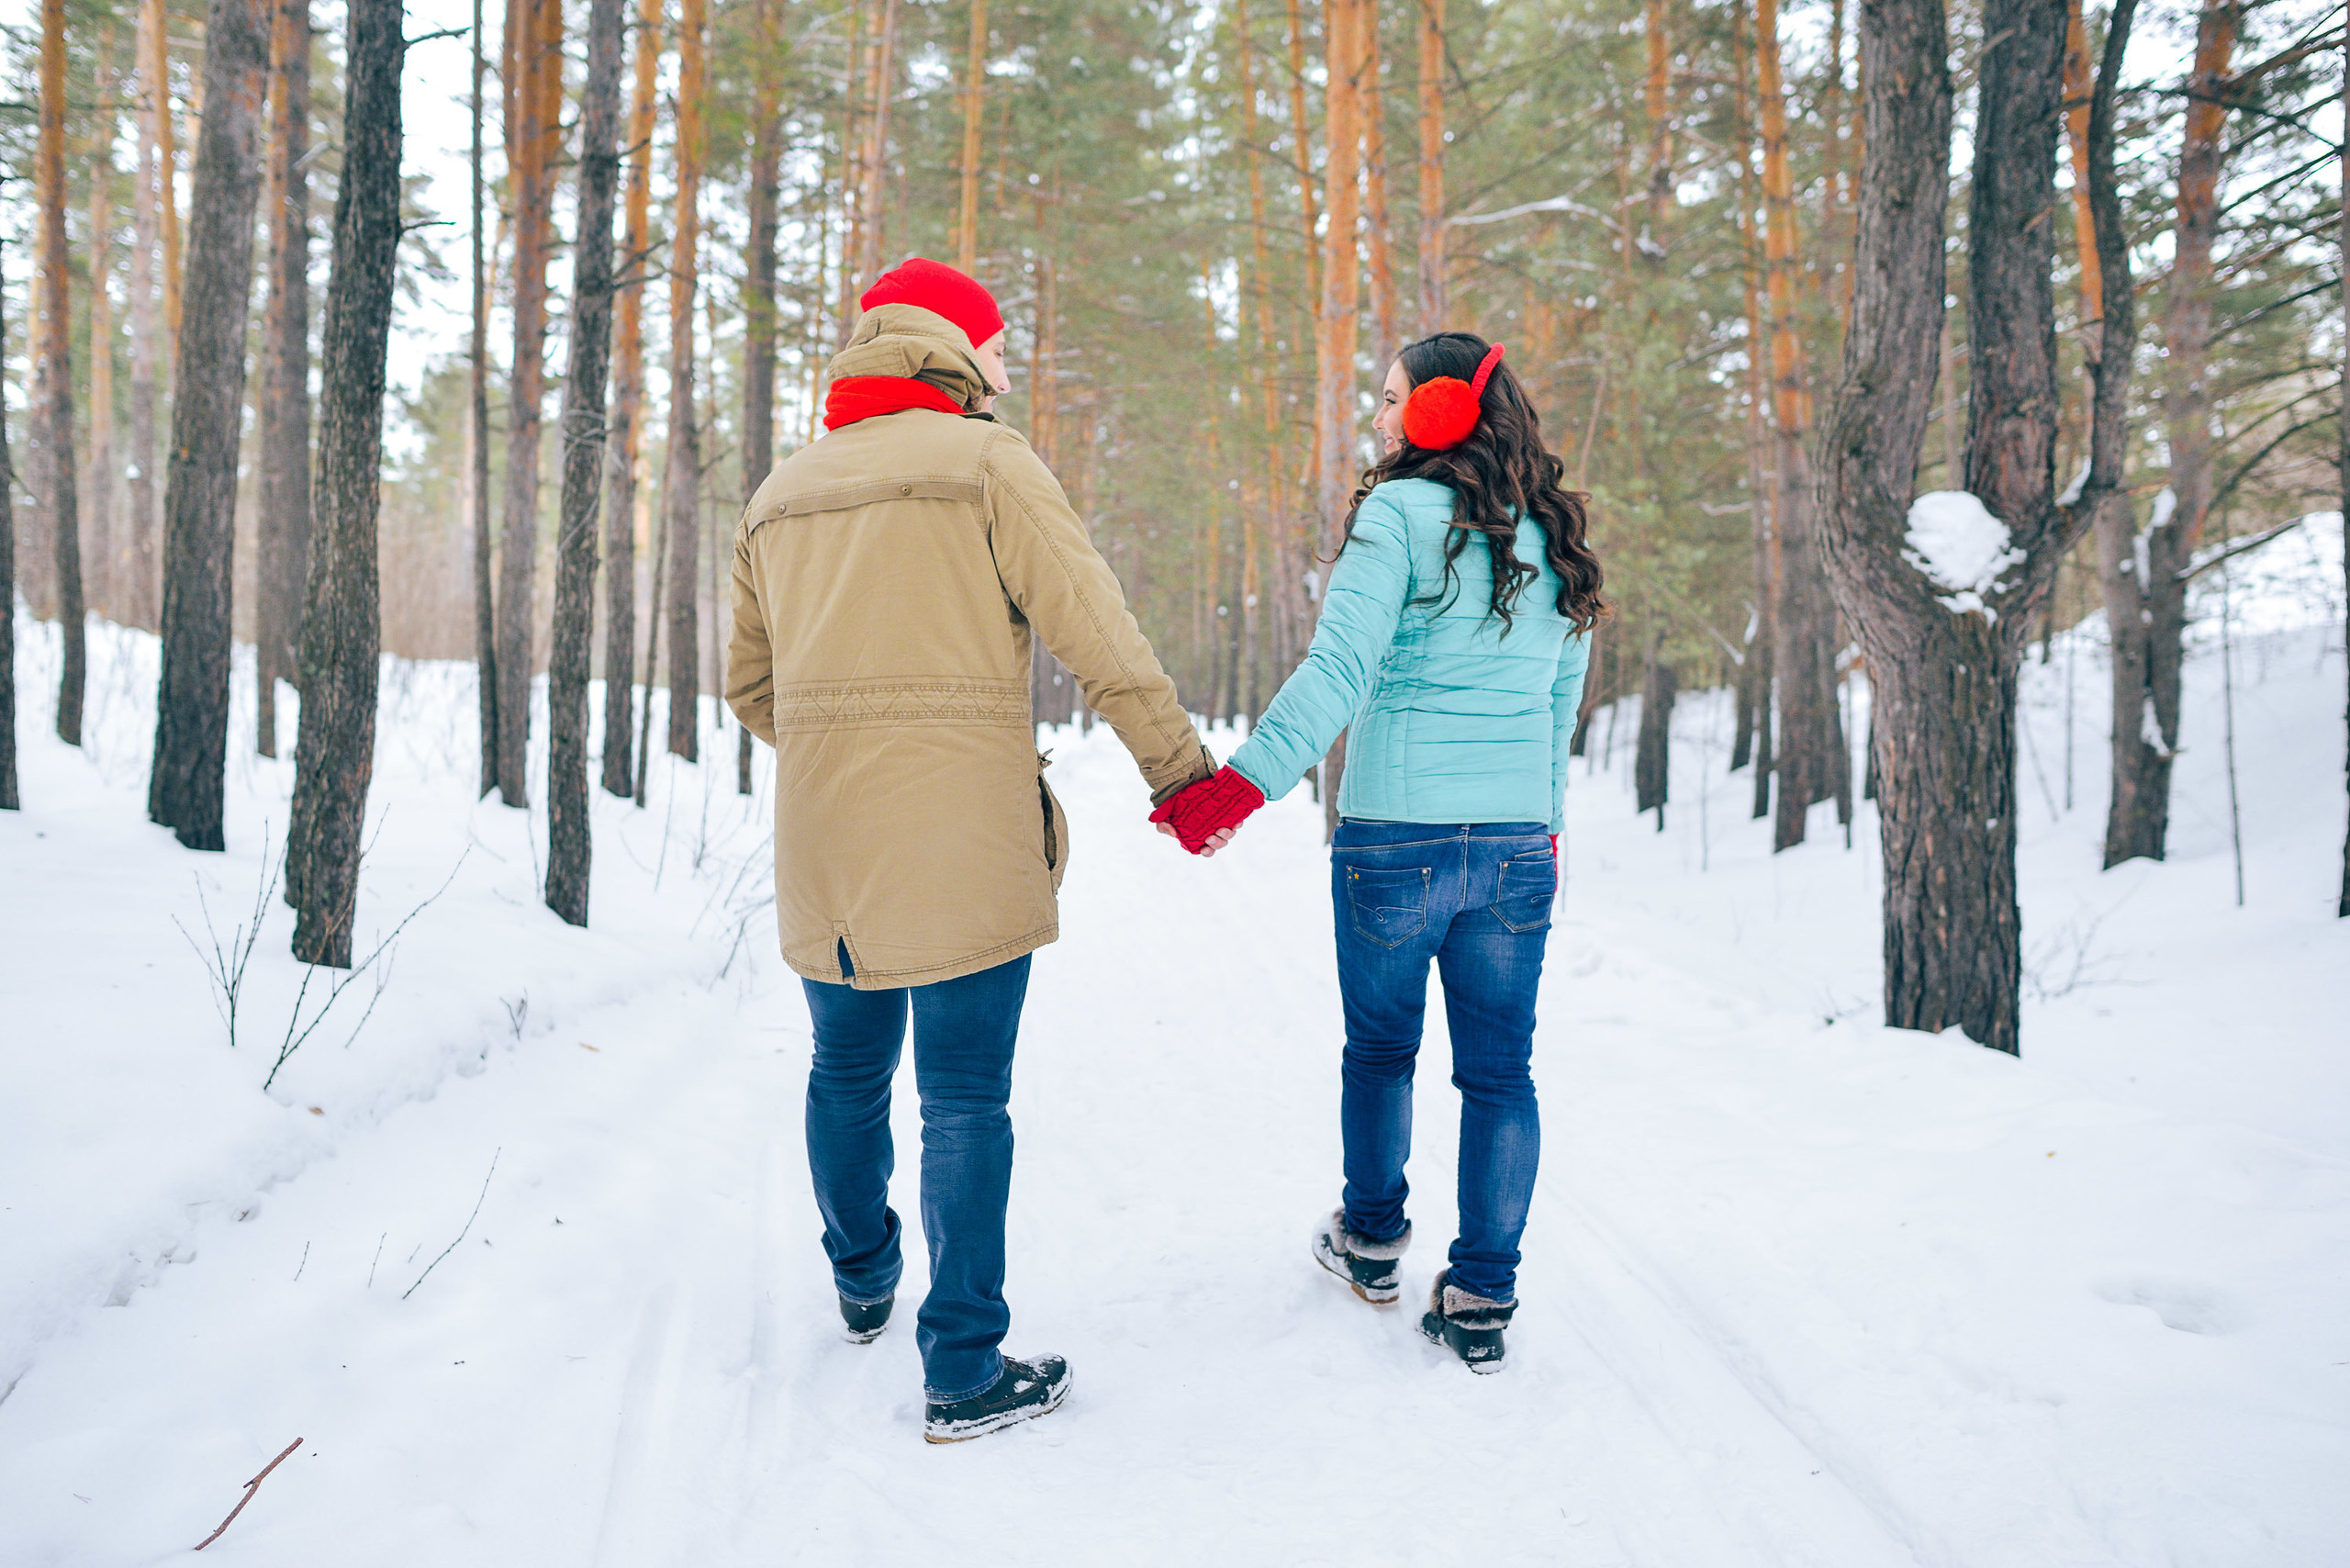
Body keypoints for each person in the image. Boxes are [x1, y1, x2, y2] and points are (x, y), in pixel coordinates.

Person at [725, 257, 1221, 1442]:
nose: (1008, 365)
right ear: (949, 346)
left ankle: (861, 1278)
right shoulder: (991, 465)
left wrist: (844, 743)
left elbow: (747, 683)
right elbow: (1100, 632)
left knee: (844, 1070)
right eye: (999, 344)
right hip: (965, 843)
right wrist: (1184, 779)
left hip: (829, 846)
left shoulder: (780, 494)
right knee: (961, 1098)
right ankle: (960, 1367)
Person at [1151, 331, 1606, 1373]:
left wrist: (1239, 785)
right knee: (1501, 1074)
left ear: (1441, 411)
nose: (1383, 410)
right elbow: (1554, 714)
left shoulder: (1394, 518)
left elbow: (1337, 672)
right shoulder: (1557, 534)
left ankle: (1369, 1238)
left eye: (1395, 395)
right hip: (1511, 848)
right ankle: (1484, 1293)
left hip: (1394, 840)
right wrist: (1539, 833)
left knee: (1381, 1050)